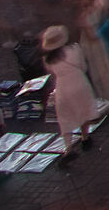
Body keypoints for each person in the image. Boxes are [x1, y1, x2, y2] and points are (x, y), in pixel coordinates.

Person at [41, 25, 99, 165]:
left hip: (63, 87)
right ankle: (85, 138)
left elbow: (51, 74)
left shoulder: (48, 59)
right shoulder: (74, 49)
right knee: (83, 110)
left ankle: (68, 148)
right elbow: (83, 66)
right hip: (79, 82)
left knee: (65, 117)